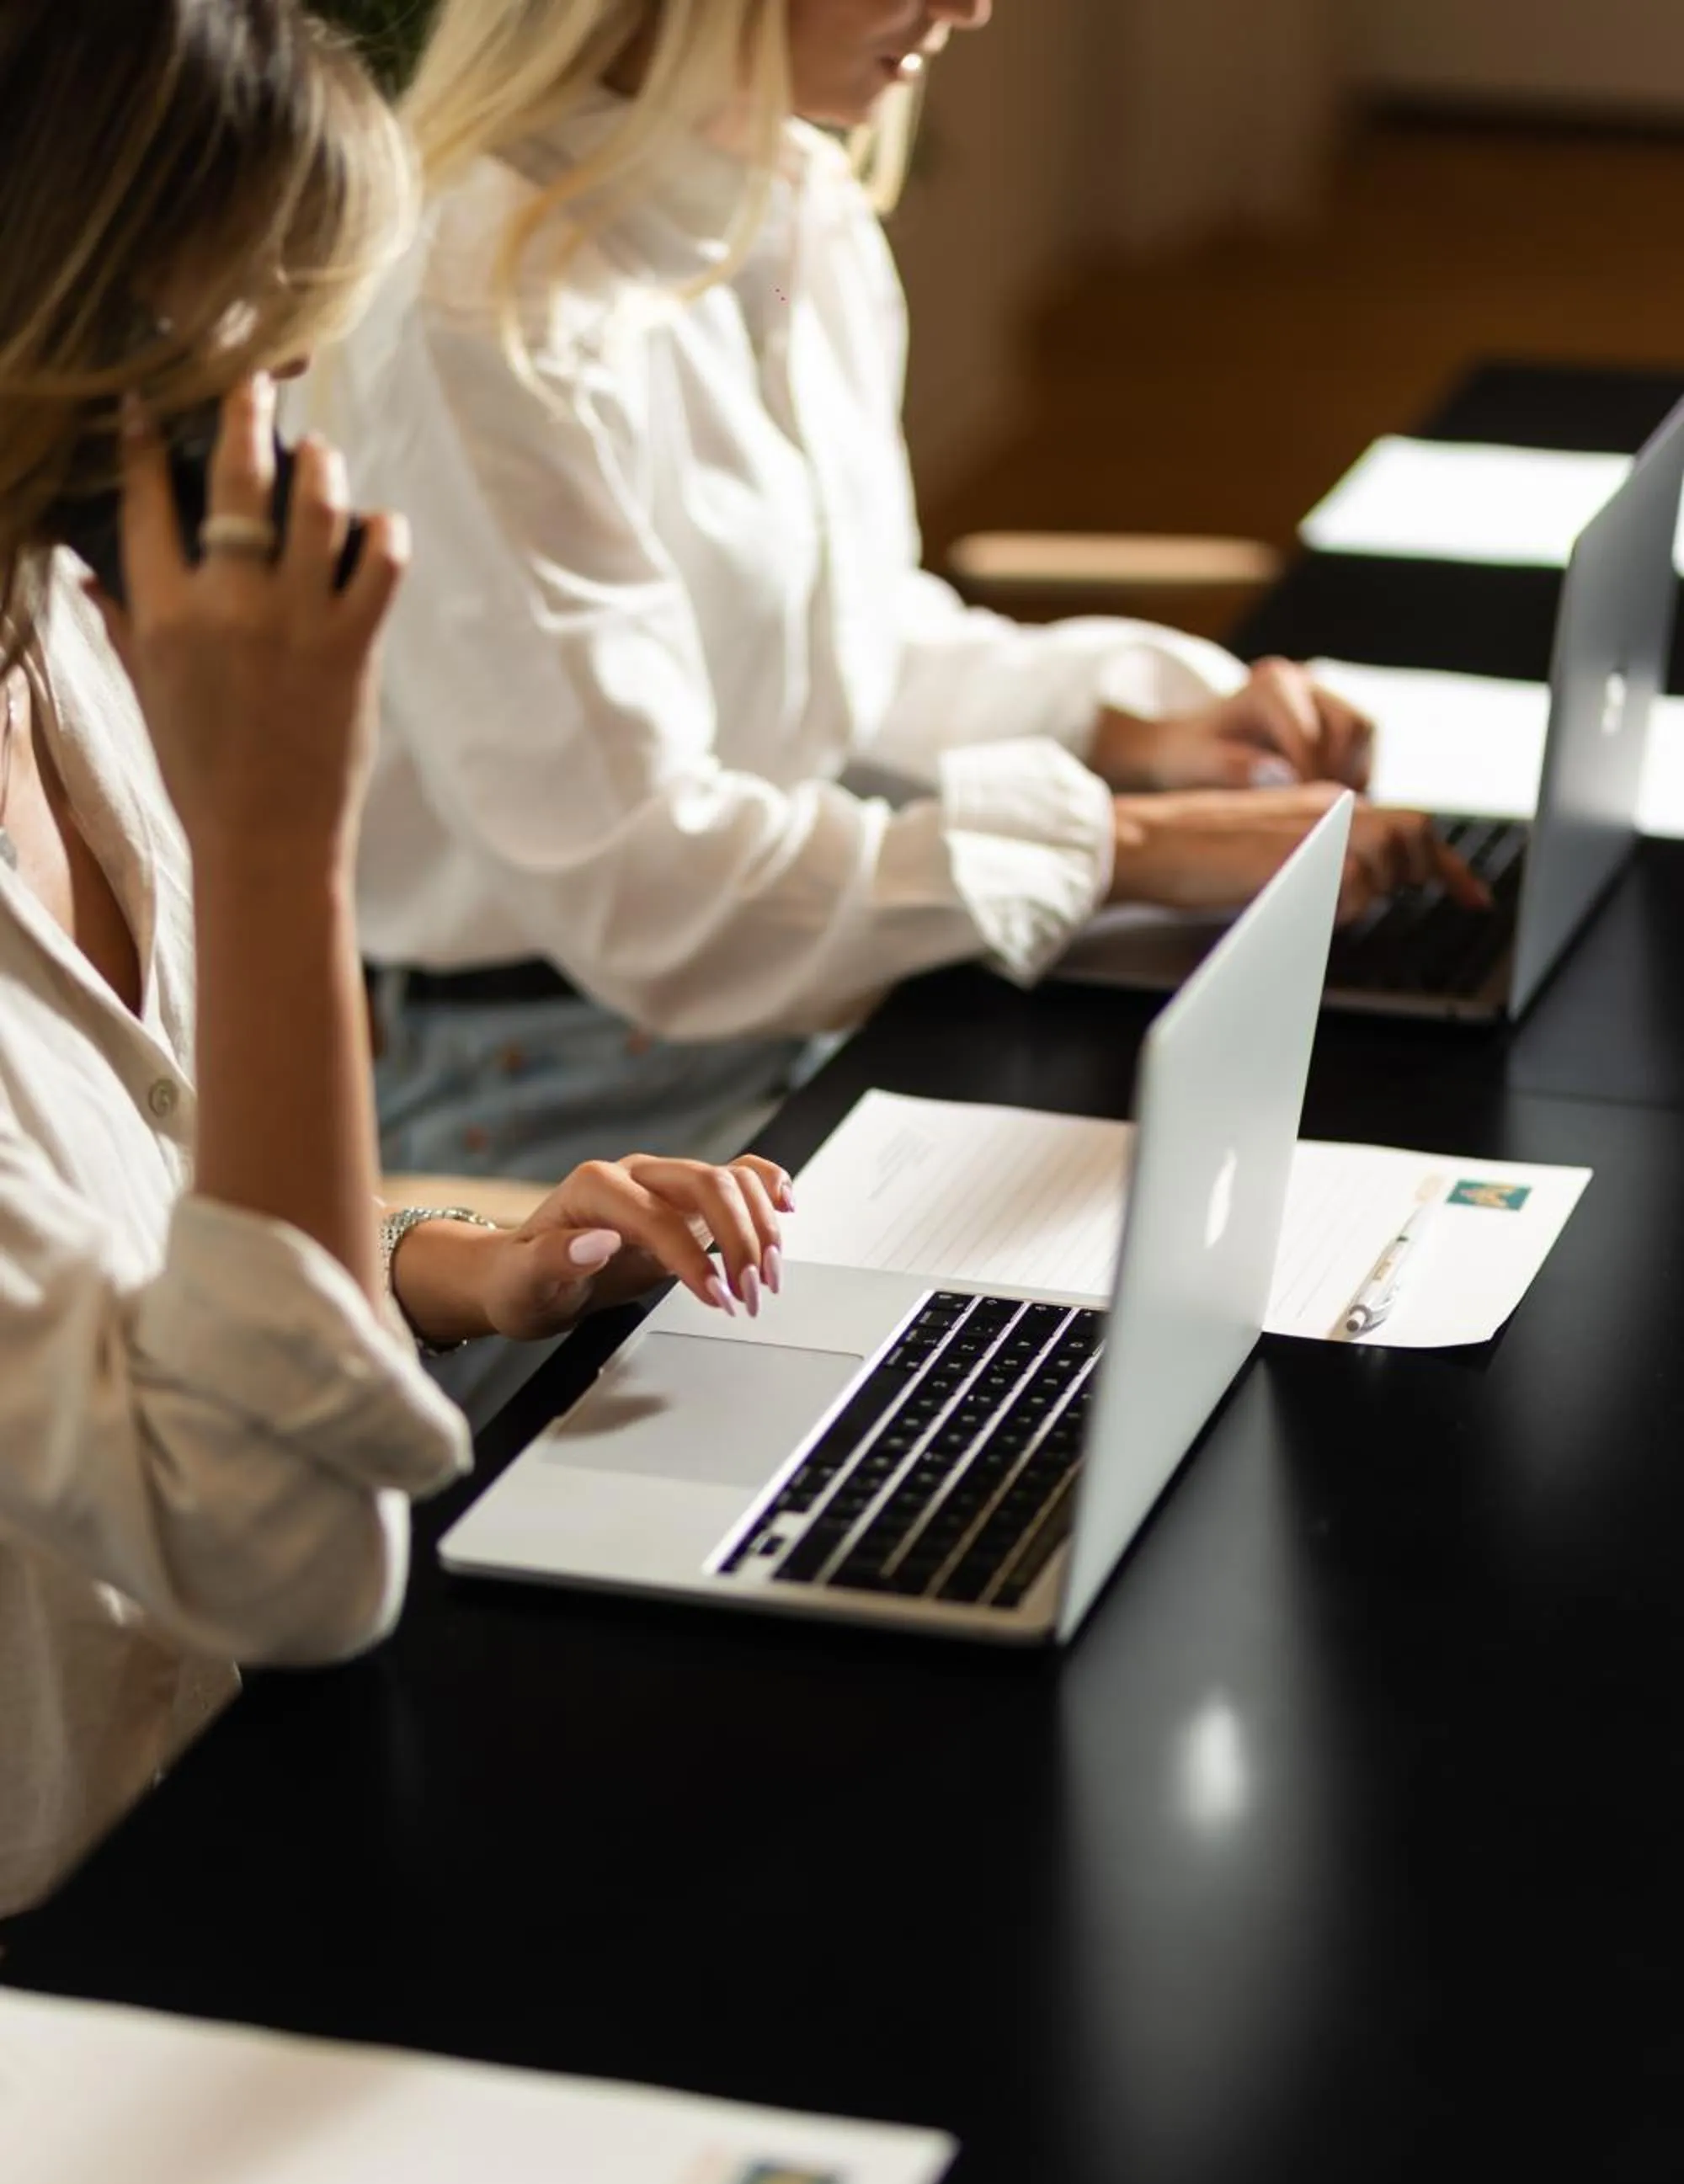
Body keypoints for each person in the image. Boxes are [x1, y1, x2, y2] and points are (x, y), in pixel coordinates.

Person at [0, 0, 785, 1921]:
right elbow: (289, 1555)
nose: (284, 446)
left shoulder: (62, 636)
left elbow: (145, 1218)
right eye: (240, 356)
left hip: (228, 1766)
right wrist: (285, 837)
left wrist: (433, 1264)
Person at [322, 0, 1485, 1186]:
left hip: (820, 992)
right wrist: (1127, 846)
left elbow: (846, 647)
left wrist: (1129, 726)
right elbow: (645, 890)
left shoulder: (788, 199)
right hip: (565, 1109)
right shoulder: (473, 307)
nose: (971, 9)